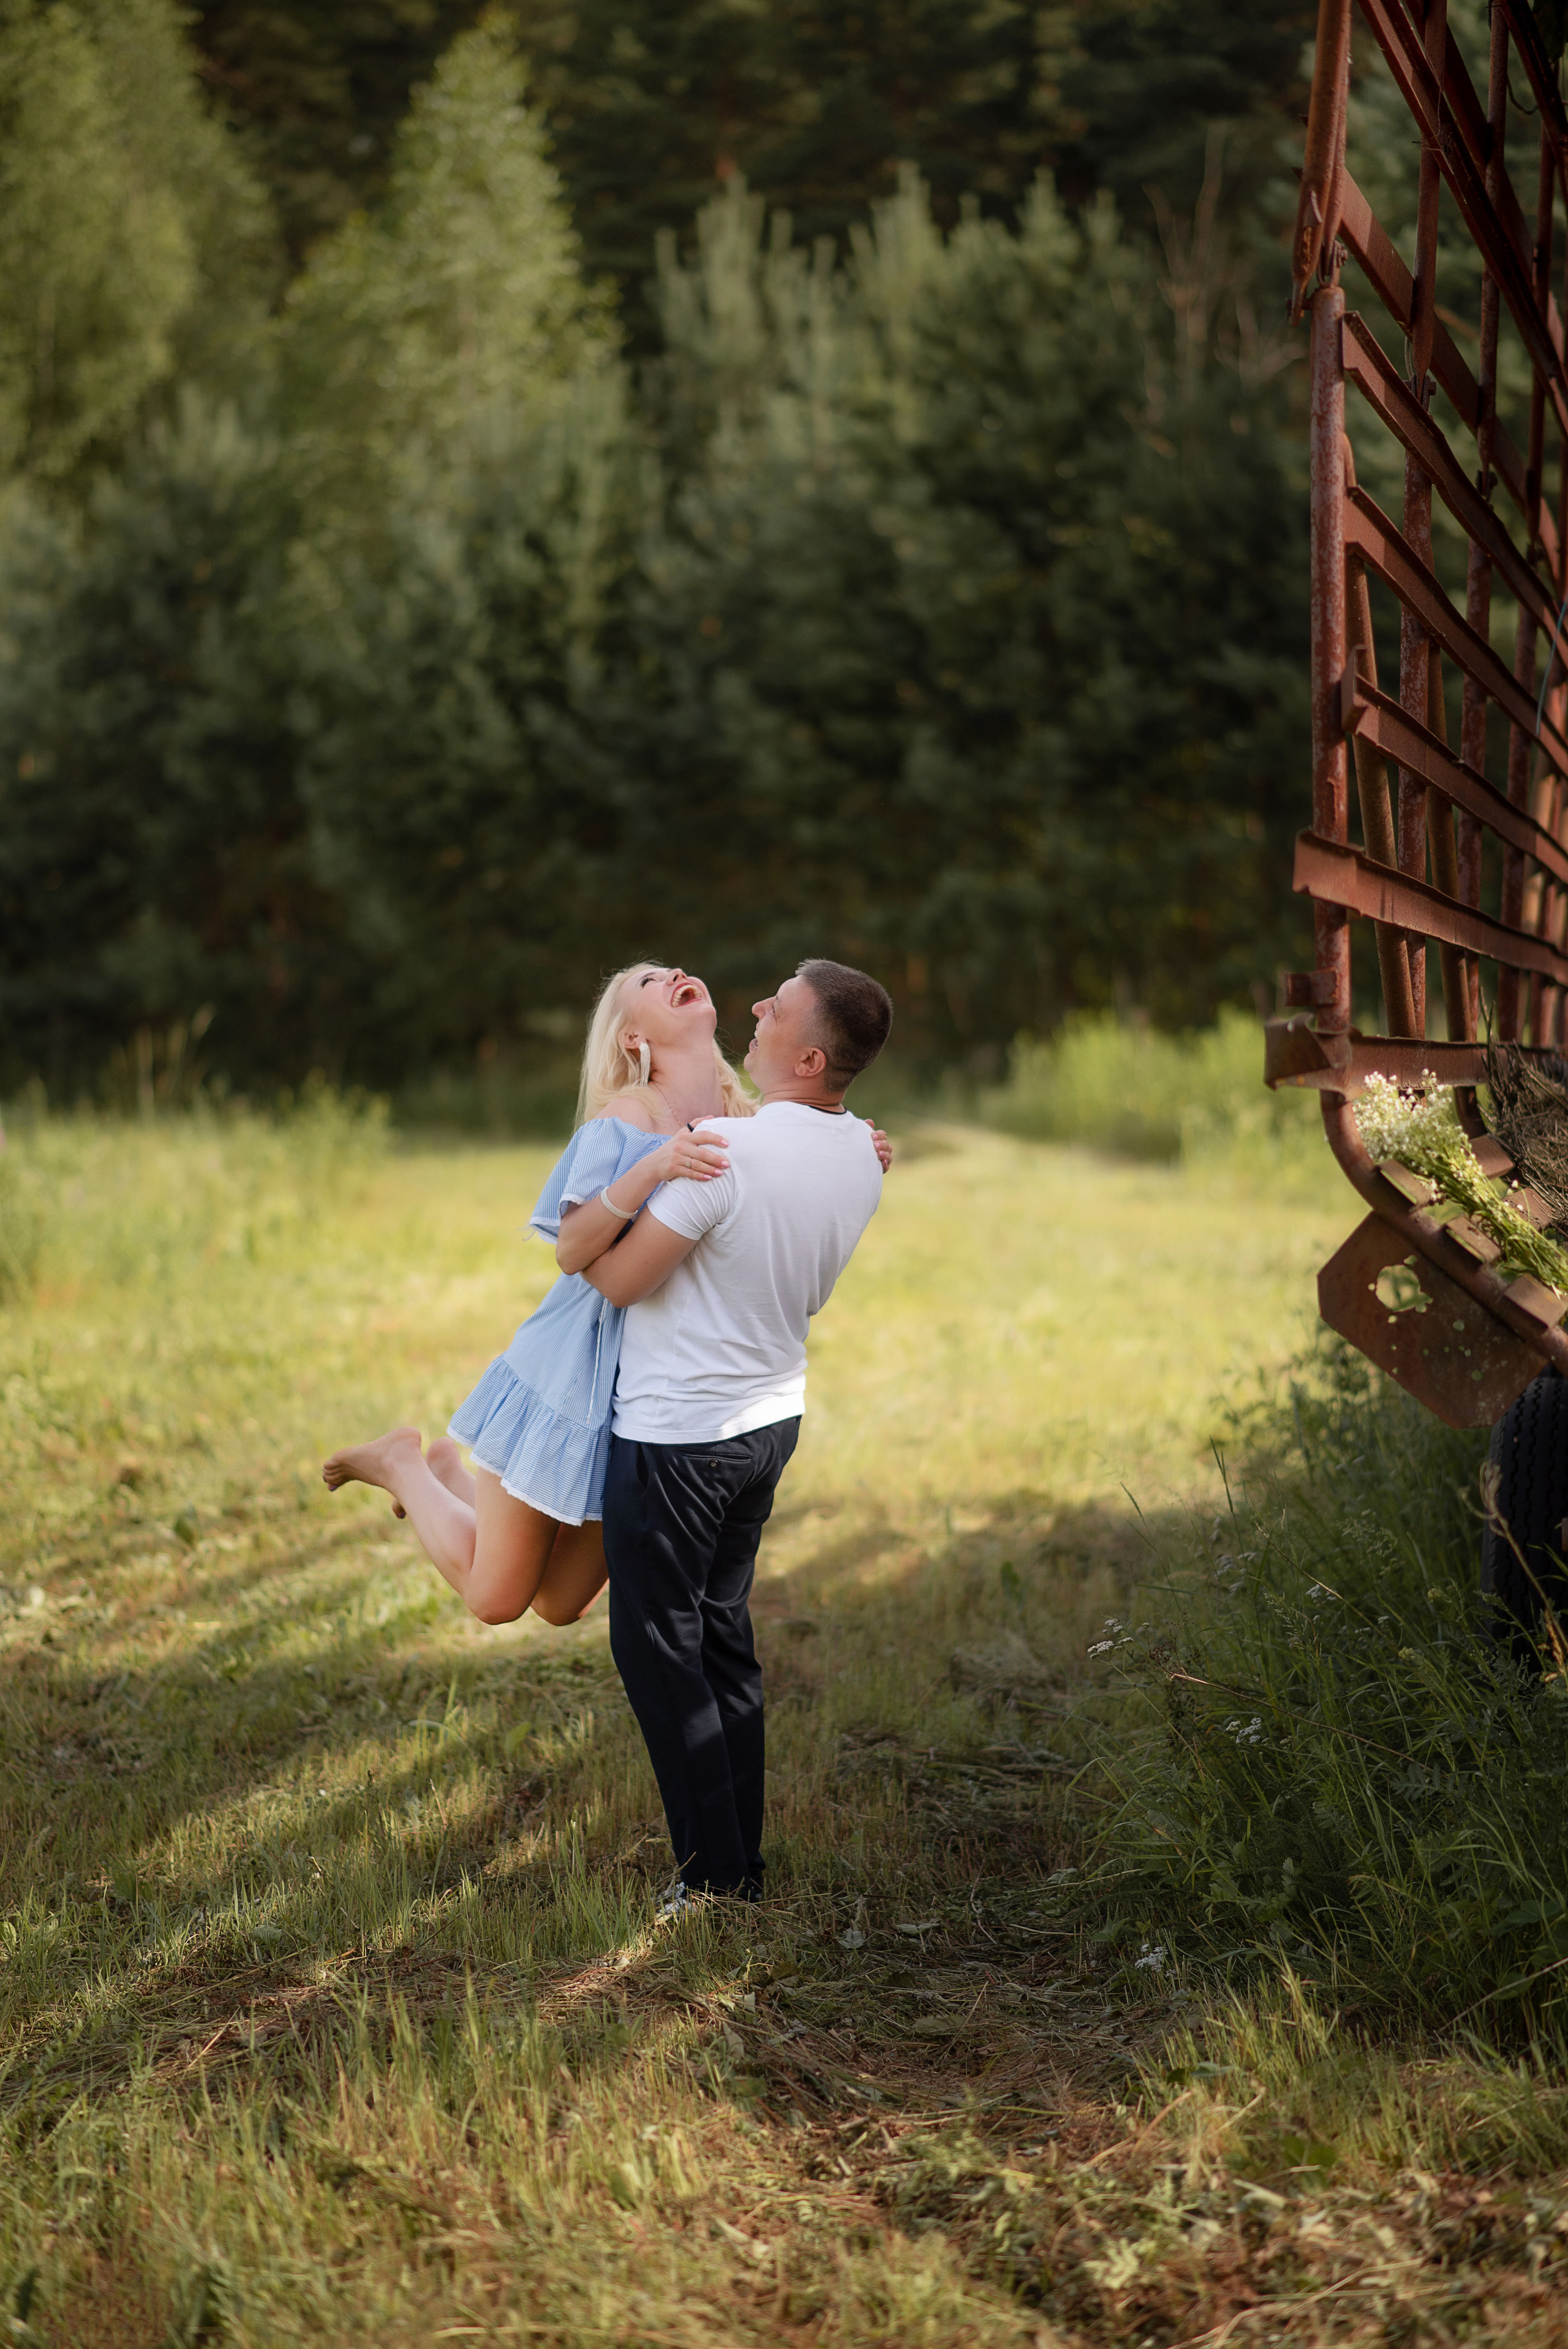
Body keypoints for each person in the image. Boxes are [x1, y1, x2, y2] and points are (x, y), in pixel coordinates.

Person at [320, 965, 891, 1632]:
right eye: (647, 983)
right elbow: (571, 1249)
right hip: (569, 1371)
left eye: (672, 969)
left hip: (650, 1396)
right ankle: (403, 1464)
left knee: (560, 1603)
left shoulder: (742, 1117)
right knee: (497, 1599)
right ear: (632, 1039)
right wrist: (654, 1165)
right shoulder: (629, 1116)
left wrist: (854, 1146)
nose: (674, 973)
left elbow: (791, 1162)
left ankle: (449, 1472)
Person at [577, 958, 893, 1915]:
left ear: (809, 1056)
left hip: (679, 1435)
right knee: (722, 1640)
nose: (756, 1005)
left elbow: (616, 1279)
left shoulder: (721, 1151)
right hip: (768, 1423)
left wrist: (637, 1183)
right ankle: (734, 1863)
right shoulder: (862, 1152)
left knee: (660, 1652)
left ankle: (715, 1878)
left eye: (778, 1006)